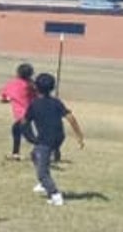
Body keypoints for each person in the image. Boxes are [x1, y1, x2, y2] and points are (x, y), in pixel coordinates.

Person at [22, 73, 84, 207]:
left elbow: (24, 122)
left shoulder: (34, 104)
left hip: (45, 140)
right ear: (53, 87)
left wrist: (29, 136)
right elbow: (71, 118)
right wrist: (79, 136)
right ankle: (43, 183)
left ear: (36, 87)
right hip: (58, 137)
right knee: (34, 155)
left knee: (42, 172)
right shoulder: (57, 102)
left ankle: (55, 194)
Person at [0, 63, 36, 160]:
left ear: (18, 73)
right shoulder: (31, 85)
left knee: (29, 137)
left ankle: (48, 147)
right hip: (30, 113)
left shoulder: (12, 84)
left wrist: (7, 99)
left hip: (22, 116)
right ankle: (15, 153)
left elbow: (4, 97)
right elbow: (35, 97)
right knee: (16, 130)